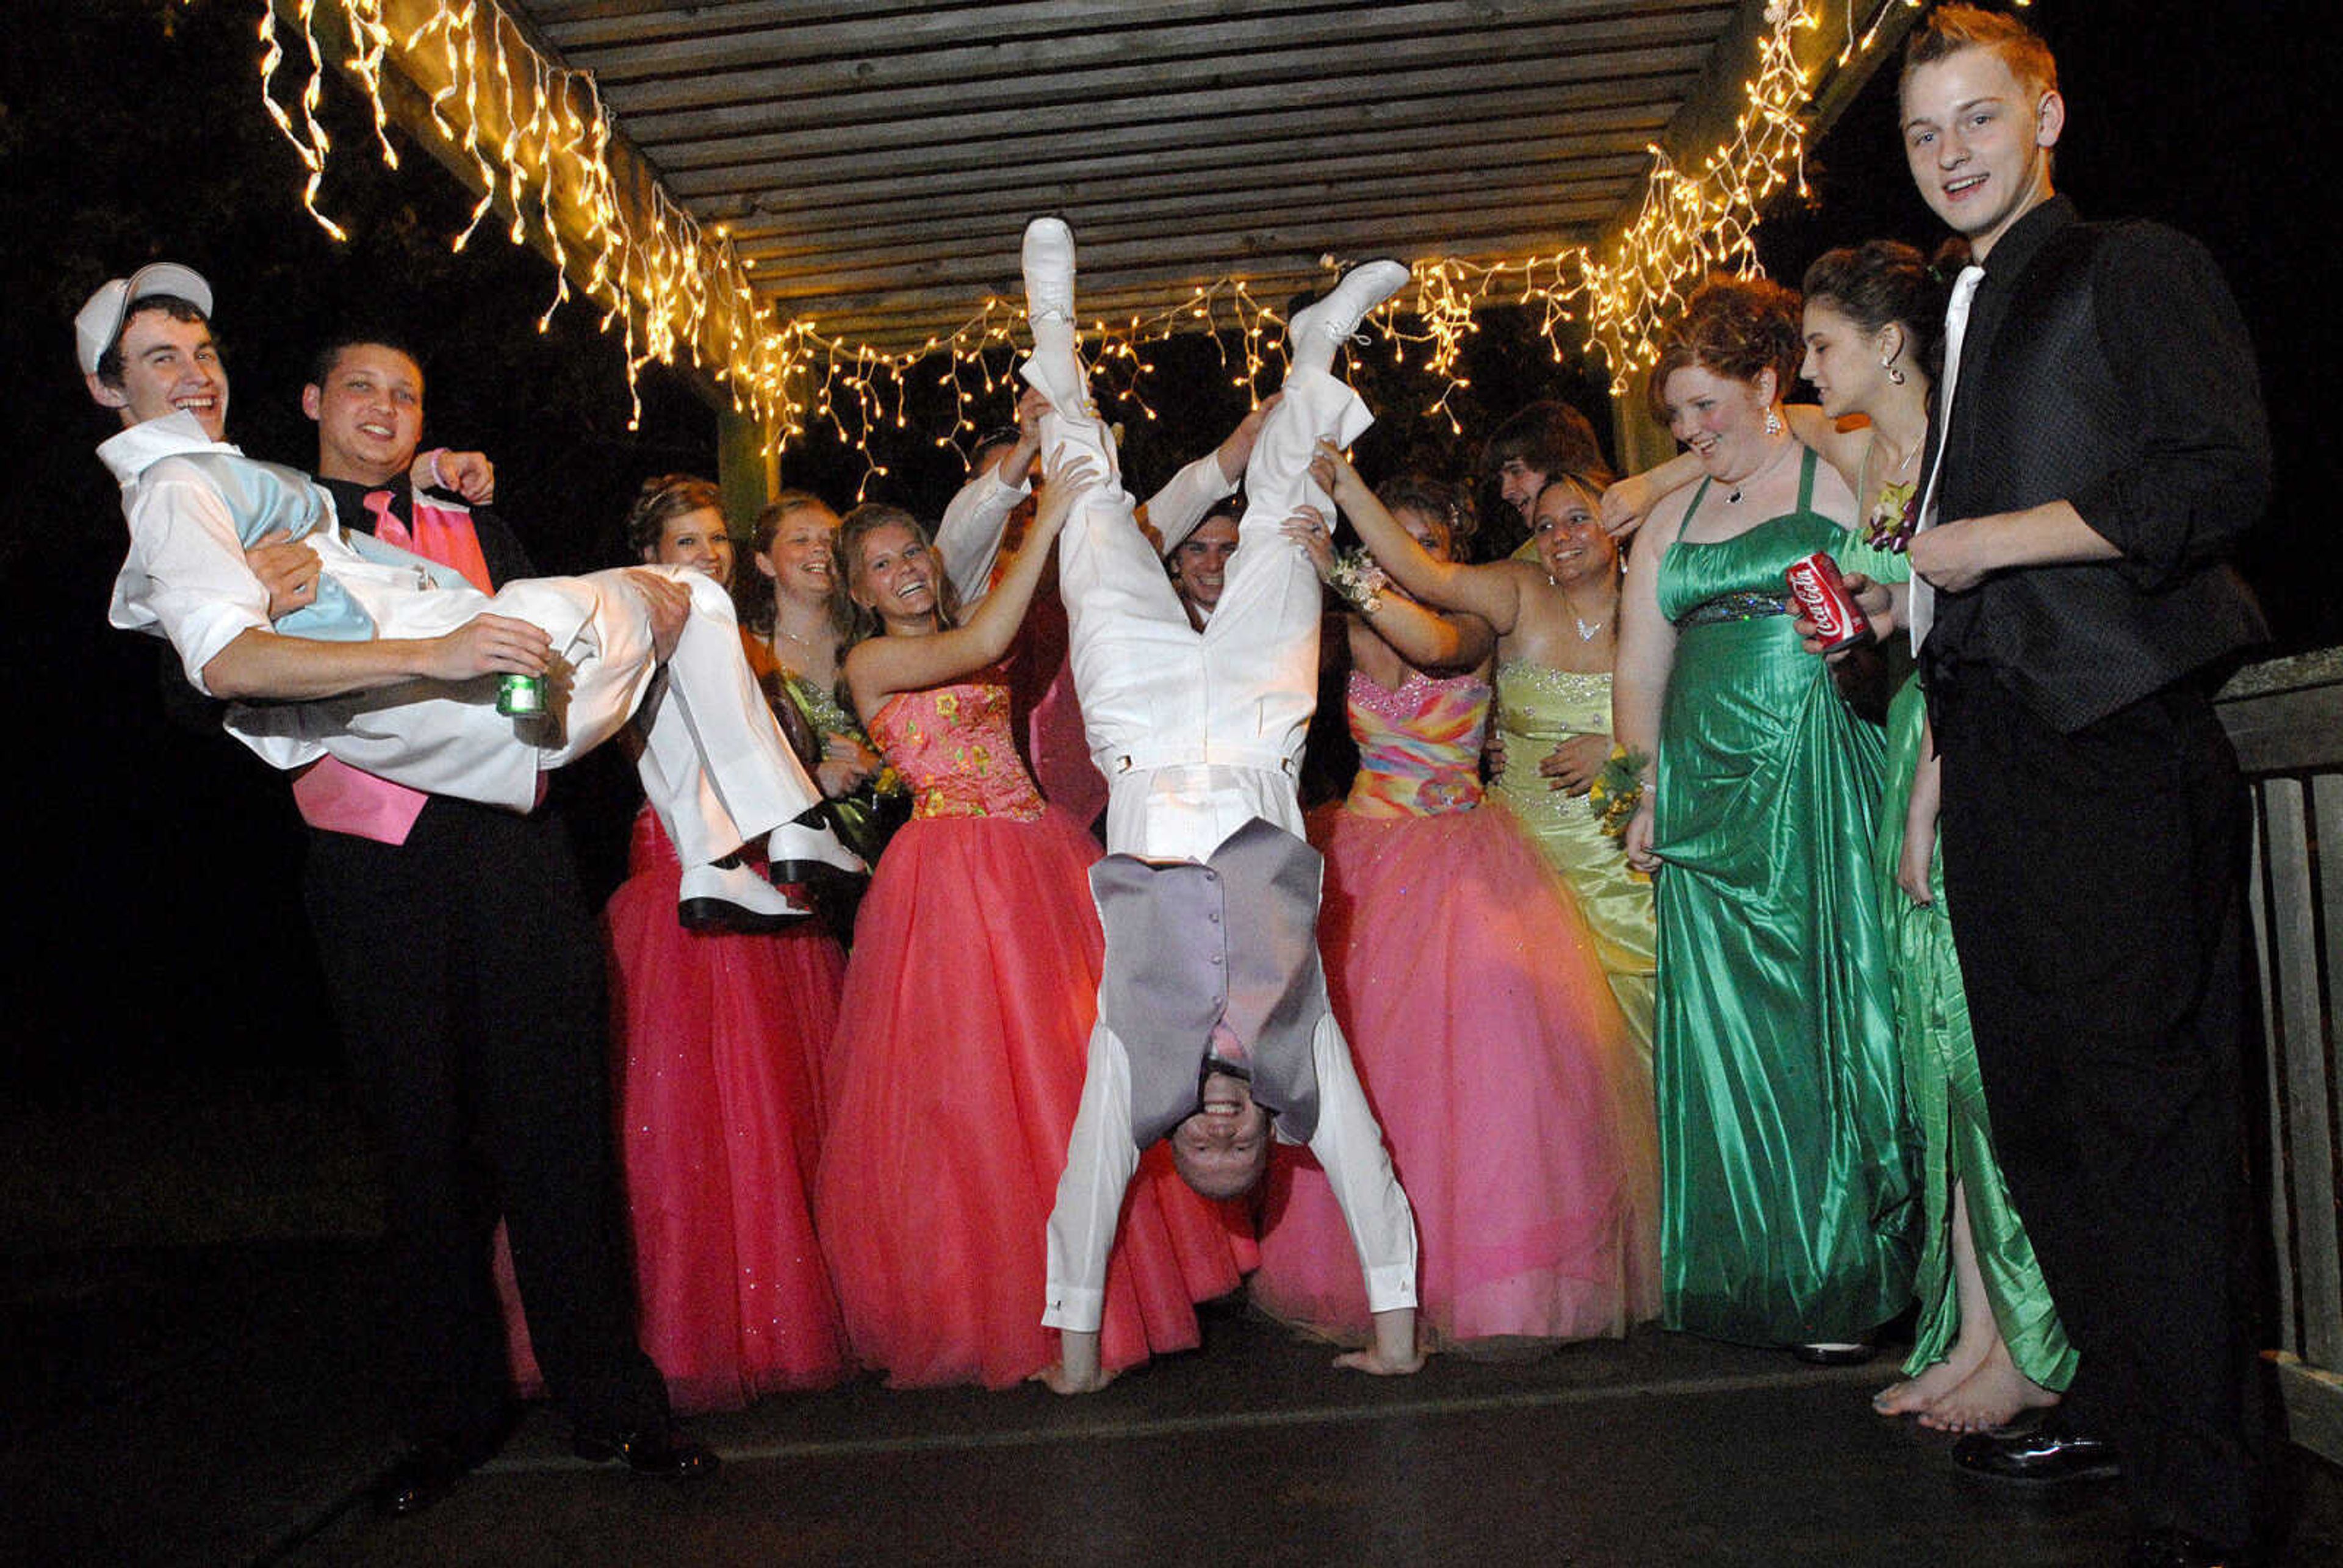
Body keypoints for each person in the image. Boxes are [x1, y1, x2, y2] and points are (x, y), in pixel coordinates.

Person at [79, 280, 712, 1514]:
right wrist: (259, 592)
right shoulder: (240, 511)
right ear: (311, 404)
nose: (383, 409)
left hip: (513, 858)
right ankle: (448, 1419)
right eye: (359, 388)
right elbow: (188, 693)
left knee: (559, 1128)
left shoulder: (475, 516)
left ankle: (613, 1403)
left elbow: (554, 685)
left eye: (406, 394)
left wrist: (517, 740)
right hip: (372, 869)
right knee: (420, 1149)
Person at [1890, 11, 2270, 1561]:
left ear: (2044, 111)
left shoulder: (2133, 261)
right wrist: (1919, 714)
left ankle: (2215, 1501)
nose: (1951, 155)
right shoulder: (1952, 304)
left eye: (1976, 120)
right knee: (2043, 1129)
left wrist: (1990, 541)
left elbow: (2214, 473)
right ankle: (2142, 1431)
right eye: (1923, 135)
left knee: (2141, 1129)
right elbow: (1954, 557)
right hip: (1994, 757)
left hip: (2112, 746)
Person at [90, 281, 854, 933]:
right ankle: (781, 824)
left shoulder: (233, 480)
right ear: (109, 387)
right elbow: (218, 664)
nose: (197, 374)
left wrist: (423, 473)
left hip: (491, 759)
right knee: (688, 590)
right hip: (404, 795)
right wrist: (431, 652)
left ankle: (725, 854)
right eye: (163, 359)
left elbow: (314, 513)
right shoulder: (176, 489)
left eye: (205, 354)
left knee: (686, 603)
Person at [1016, 215, 1422, 1394]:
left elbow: (1085, 1193)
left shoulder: (1130, 1067)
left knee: (1090, 506)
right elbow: (1370, 1178)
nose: (1224, 1127)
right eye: (1243, 1144)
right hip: (1259, 735)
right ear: (1273, 1135)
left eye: (1204, 1146)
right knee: (1291, 519)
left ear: (1173, 1139)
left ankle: (1051, 315)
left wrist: (1077, 1359)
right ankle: (1322, 340)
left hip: (1139, 730)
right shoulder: (1303, 1061)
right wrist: (1396, 1338)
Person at [813, 494, 1254, 1389]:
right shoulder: (871, 658)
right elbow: (979, 651)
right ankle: (1016, 1304)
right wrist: (1047, 518)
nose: (906, 572)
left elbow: (1001, 631)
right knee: (980, 1095)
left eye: (913, 555)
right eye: (884, 566)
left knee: (1082, 1067)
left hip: (1038, 855)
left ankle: (1119, 1281)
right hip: (953, 878)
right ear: (860, 592)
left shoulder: (967, 614)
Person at [1246, 466, 1660, 1352]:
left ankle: (1486, 1277)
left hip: (1462, 858)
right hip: (1364, 857)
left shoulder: (1471, 620)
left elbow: (1431, 643)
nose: (1409, 560)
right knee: (1368, 1074)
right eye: (1398, 542)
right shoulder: (1348, 627)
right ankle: (1373, 1269)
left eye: (1426, 545)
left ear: (1450, 555)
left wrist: (1345, 562)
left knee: (1487, 1083)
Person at [1610, 275, 1915, 1356]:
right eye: (1676, 416)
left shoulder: (1829, 472)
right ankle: (1746, 1272)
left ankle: (1837, 1270)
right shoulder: (1672, 518)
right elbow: (1640, 673)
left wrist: (1864, 628)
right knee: (1722, 1030)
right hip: (1705, 792)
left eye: (1708, 406)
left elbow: (1886, 583)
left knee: (1814, 1017)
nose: (1692, 432)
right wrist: (1641, 792)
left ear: (1766, 383)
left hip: (1811, 772)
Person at [602, 475, 852, 1409]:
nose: (703, 556)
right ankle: (693, 1326)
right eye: (684, 543)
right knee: (693, 1113)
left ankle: (794, 1308)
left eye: (712, 540)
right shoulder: (634, 633)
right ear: (650, 556)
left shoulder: (742, 643)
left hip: (766, 872)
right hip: (685, 866)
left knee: (783, 1102)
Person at [1318, 466, 1658, 1052]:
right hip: (1521, 863)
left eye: (1579, 519)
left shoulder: (1655, 603)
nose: (1561, 537)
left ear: (1618, 525)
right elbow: (1426, 616)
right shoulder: (1518, 591)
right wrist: (1341, 489)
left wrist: (1622, 749)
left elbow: (1708, 714)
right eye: (1545, 524)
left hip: (1616, 863)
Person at [935, 389, 1266, 827]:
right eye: (1015, 487)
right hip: (998, 811)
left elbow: (1189, 494)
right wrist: (1026, 447)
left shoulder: (1102, 552)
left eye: (1043, 484)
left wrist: (1246, 438)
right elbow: (965, 529)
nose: (1030, 500)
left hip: (1108, 797)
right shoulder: (957, 583)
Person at [1167, 497, 1243, 630]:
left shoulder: (1274, 618)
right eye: (1198, 550)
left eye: (1228, 550)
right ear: (1175, 562)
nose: (1213, 565)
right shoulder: (1155, 622)